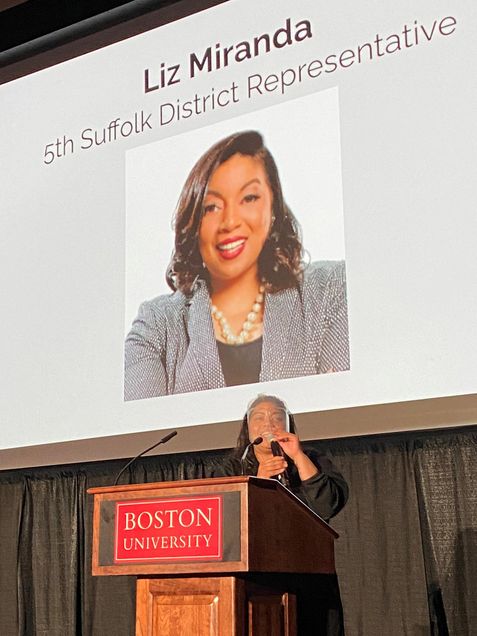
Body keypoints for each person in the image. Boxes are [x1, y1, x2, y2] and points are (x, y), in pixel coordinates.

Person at [125, 130, 349, 400]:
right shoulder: (156, 326)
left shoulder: (330, 290)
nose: (230, 221)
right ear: (193, 225)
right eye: (211, 207)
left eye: (249, 198)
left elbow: (344, 413)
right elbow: (145, 436)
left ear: (273, 207)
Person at [211, 394, 348, 635]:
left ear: (288, 425)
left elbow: (328, 506)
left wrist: (298, 456)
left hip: (309, 578)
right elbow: (222, 522)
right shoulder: (232, 469)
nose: (268, 424)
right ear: (248, 428)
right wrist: (260, 482)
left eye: (276, 417)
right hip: (257, 581)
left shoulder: (312, 459)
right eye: (259, 418)